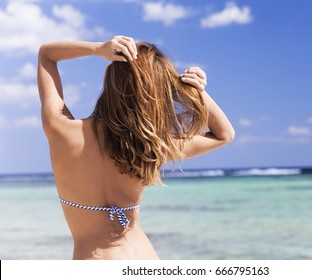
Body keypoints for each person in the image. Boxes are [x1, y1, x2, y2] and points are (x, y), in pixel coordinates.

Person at [37, 35, 235, 260]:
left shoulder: (61, 130)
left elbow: (47, 54)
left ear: (106, 76)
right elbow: (224, 135)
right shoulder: (149, 146)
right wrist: (193, 89)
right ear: (159, 93)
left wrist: (98, 49)